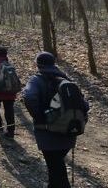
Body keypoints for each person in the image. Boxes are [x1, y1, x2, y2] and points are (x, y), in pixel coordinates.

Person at [22, 52, 89, 188]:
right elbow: (85, 105)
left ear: (38, 64)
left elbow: (29, 96)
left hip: (48, 133)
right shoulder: (66, 79)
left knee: (56, 168)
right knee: (56, 166)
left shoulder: (36, 80)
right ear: (53, 63)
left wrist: (40, 116)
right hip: (69, 130)